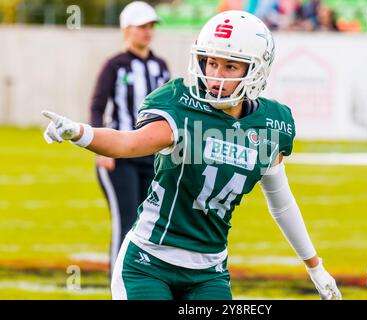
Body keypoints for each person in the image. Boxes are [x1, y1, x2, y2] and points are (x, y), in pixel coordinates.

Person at [41, 10, 342, 300]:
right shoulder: (182, 106)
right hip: (148, 263)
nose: (215, 77)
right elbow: (128, 144)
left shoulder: (270, 126)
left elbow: (282, 203)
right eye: (211, 63)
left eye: (230, 67)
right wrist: (81, 133)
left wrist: (315, 266)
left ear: (257, 70)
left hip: (209, 272)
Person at [89, 1, 170, 274]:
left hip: (152, 157)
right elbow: (98, 106)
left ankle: (143, 281)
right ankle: (118, 284)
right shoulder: (115, 65)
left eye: (151, 27)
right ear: (127, 29)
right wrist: (101, 150)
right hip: (120, 156)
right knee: (124, 222)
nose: (148, 32)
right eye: (142, 26)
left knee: (146, 225)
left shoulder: (160, 66)